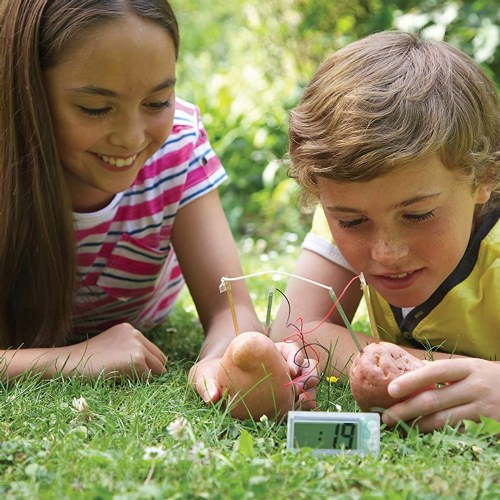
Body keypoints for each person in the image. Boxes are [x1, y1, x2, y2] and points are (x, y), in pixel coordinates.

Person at [0, 0, 307, 409]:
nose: (130, 138)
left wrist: (221, 359)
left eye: (157, 101)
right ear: (25, 89)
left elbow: (229, 311)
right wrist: (71, 359)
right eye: (95, 108)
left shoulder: (176, 146)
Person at [271, 31, 499, 433]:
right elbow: (296, 328)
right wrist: (430, 372)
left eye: (419, 215)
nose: (387, 251)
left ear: (485, 177)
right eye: (352, 223)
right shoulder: (352, 199)